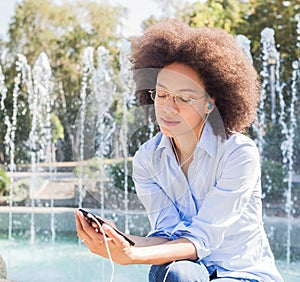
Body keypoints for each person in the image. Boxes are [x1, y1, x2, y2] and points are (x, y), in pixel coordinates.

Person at [75, 20, 283, 282]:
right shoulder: (148, 160)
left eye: (183, 98)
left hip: (243, 274)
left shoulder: (238, 153)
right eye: (161, 95)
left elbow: (201, 239)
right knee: (176, 272)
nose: (168, 108)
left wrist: (131, 256)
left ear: (210, 103)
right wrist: (119, 241)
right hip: (191, 272)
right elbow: (168, 236)